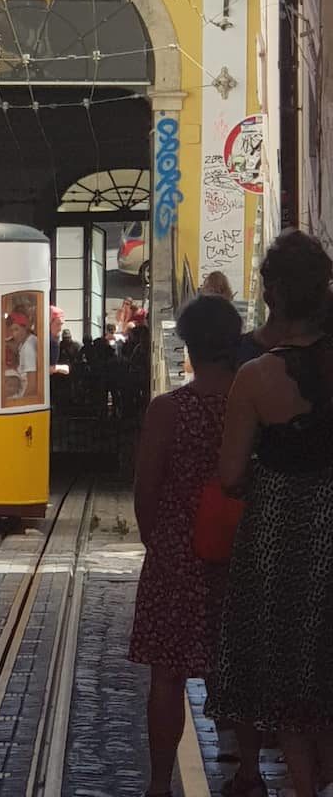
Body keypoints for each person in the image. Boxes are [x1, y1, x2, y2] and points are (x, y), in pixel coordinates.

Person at [206, 230, 333, 797]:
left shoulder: (255, 378)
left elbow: (231, 474)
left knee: (291, 686)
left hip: (282, 544)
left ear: (273, 295)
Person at [130, 294, 246, 797]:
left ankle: (159, 783)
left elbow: (145, 490)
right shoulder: (254, 408)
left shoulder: (168, 411)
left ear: (190, 347)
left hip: (178, 554)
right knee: (244, 669)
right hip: (242, 554)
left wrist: (160, 542)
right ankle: (250, 773)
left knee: (168, 676)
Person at [7, 310, 38, 398]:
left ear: (25, 328)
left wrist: (21, 402)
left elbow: (32, 384)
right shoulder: (28, 341)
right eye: (11, 330)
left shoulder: (28, 347)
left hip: (26, 396)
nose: (14, 334)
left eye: (16, 329)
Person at [49, 305, 70, 376]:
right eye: (58, 324)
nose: (60, 329)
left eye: (61, 325)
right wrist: (59, 368)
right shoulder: (36, 341)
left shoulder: (54, 341)